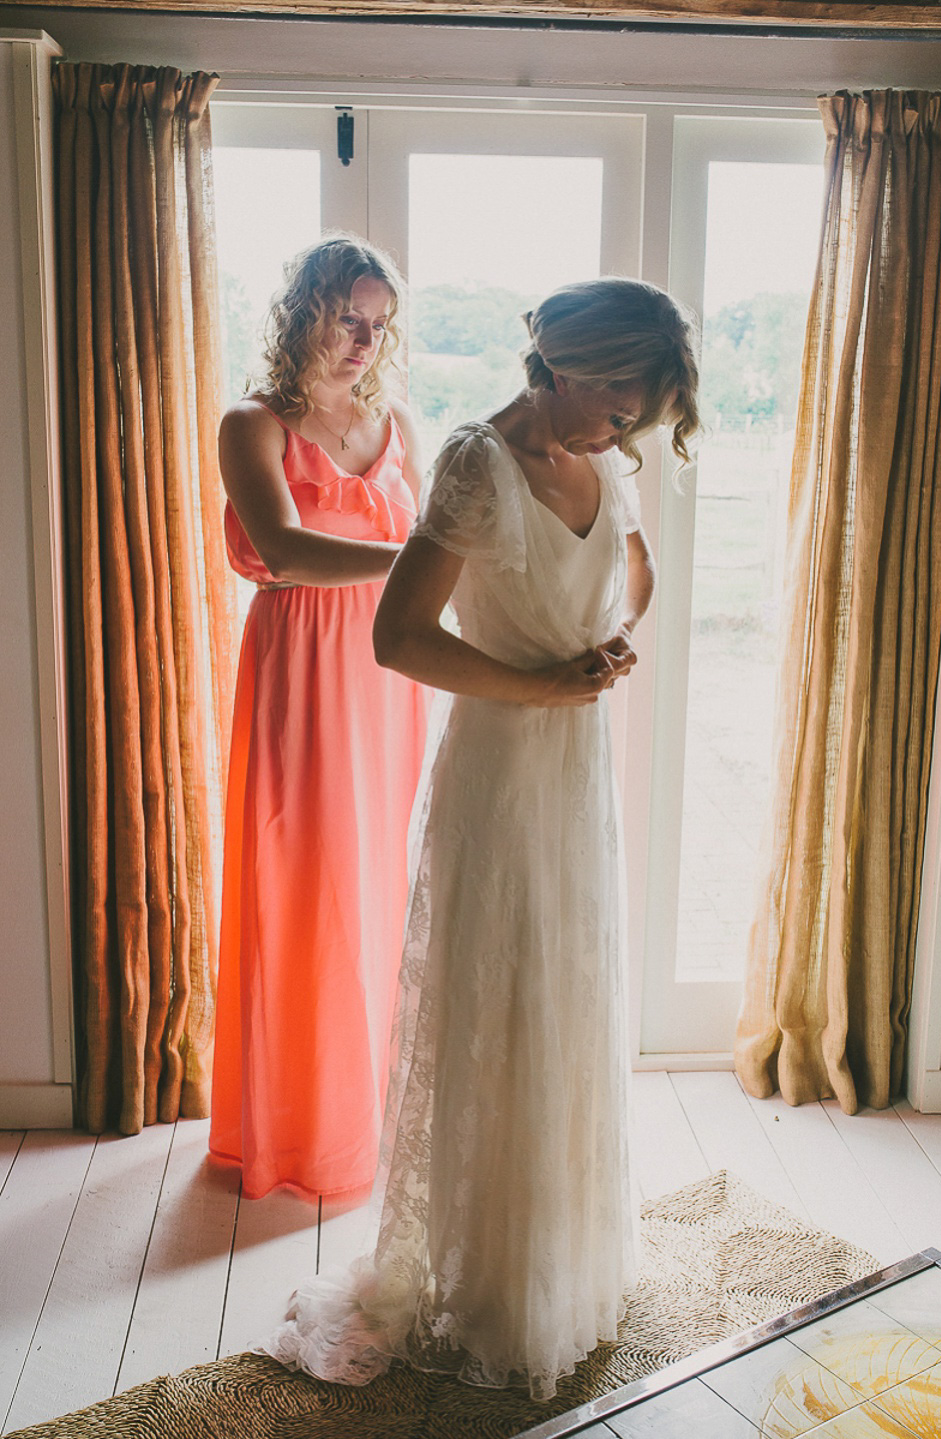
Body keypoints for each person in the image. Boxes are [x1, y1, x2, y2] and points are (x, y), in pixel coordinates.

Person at [264, 277, 700, 1396]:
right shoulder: (475, 462)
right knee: (499, 1003)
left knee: (565, 996)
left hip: (573, 769)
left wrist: (603, 649)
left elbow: (634, 575)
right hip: (502, 773)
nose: (623, 429)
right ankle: (486, 1271)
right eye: (616, 403)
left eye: (637, 414)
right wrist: (539, 686)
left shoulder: (605, 462)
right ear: (560, 364)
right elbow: (398, 635)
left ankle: (553, 1252)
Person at [209, 234, 430, 1201]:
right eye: (348, 317)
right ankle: (297, 1126)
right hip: (300, 664)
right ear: (305, 311)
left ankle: (367, 1115)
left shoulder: (400, 428)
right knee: (306, 884)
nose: (364, 342)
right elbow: (287, 552)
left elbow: (434, 532)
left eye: (378, 325)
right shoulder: (252, 424)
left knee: (380, 881)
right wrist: (416, 568)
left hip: (389, 672)